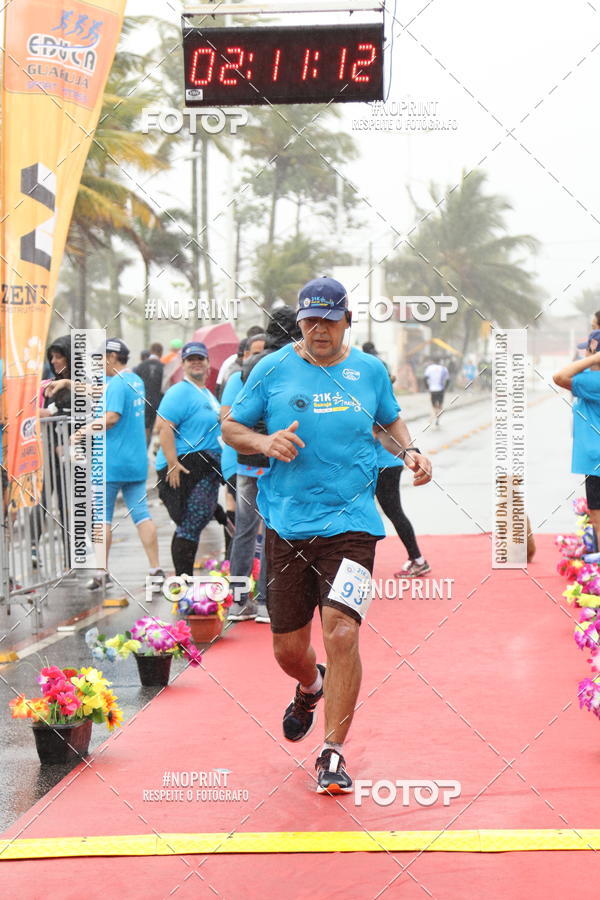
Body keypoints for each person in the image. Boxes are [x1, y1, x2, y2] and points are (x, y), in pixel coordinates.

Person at [222, 277, 432, 794]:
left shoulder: (369, 371)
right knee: (287, 650)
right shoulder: (271, 369)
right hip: (289, 526)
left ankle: (333, 753)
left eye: (328, 320)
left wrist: (408, 451)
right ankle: (309, 685)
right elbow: (230, 427)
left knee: (342, 630)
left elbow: (388, 422)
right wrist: (264, 440)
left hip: (354, 526)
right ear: (299, 321)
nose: (318, 330)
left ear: (347, 321)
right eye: (309, 320)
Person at [75, 339, 163, 590]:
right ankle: (155, 570)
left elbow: (112, 417)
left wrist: (81, 432)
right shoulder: (134, 380)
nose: (98, 363)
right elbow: (98, 390)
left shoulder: (116, 385)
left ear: (112, 357)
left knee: (102, 519)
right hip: (135, 462)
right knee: (142, 516)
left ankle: (102, 573)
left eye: (100, 358)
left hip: (110, 464)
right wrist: (68, 384)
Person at [155, 341, 222, 578]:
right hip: (183, 466)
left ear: (207, 363)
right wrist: (172, 463)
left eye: (200, 358)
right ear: (183, 364)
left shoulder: (206, 393)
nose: (196, 362)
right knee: (189, 525)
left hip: (206, 465)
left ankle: (186, 582)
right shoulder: (179, 392)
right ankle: (183, 584)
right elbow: (163, 428)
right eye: (190, 359)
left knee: (198, 519)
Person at [221, 333, 269, 623]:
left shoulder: (256, 378)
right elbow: (226, 421)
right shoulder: (239, 380)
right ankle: (246, 601)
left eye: (264, 351)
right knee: (250, 531)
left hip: (261, 463)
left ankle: (259, 601)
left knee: (263, 532)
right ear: (244, 355)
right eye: (254, 352)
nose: (259, 358)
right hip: (252, 465)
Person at [553, 329, 600, 548]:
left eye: (586, 351)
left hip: (596, 461)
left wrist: (595, 358)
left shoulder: (592, 380)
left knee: (598, 521)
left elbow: (559, 377)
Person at [376, 443, 430, 577]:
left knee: (394, 513)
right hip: (386, 463)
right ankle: (417, 560)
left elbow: (374, 434)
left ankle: (418, 560)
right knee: (393, 512)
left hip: (383, 466)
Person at [134, 342, 164, 446]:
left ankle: (145, 447)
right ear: (161, 353)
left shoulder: (141, 366)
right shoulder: (163, 367)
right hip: (159, 402)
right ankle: (155, 450)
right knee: (157, 428)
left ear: (150, 351)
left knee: (145, 426)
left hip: (143, 401)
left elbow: (135, 385)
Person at [424, 357, 449, 426]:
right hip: (441, 389)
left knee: (434, 405)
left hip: (432, 389)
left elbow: (425, 378)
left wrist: (427, 387)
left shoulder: (429, 368)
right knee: (440, 405)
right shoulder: (444, 369)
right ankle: (437, 419)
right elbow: (448, 380)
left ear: (433, 361)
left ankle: (433, 417)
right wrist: (445, 388)